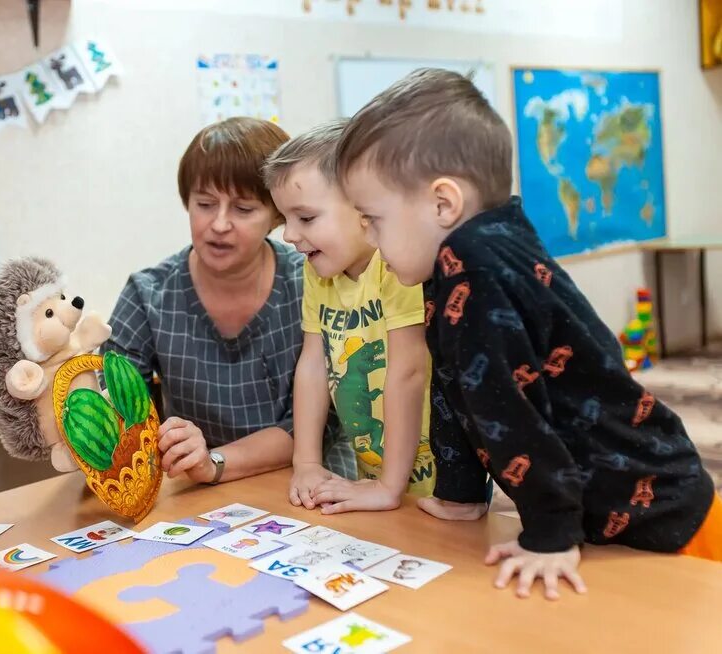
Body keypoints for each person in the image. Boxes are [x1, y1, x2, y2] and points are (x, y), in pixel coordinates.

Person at [335, 68, 721, 600]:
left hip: (657, 512)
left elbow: (512, 412)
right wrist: (461, 494)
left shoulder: (475, 268)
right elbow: (458, 388)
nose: (371, 239)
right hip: (612, 509)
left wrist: (550, 535)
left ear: (443, 204)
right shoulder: (458, 258)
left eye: (373, 219)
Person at [103, 117, 305, 485]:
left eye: (243, 209)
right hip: (194, 497)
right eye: (205, 203)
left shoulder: (308, 286)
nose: (220, 224)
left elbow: (314, 426)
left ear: (278, 214)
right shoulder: (149, 294)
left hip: (301, 488)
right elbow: (118, 414)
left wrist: (214, 461)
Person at [263, 120, 434, 515]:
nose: (288, 235)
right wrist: (305, 463)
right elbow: (313, 364)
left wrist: (391, 487)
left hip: (438, 479)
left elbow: (409, 371)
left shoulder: (397, 265)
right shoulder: (317, 270)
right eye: (285, 218)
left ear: (364, 210)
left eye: (305, 218)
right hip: (372, 476)